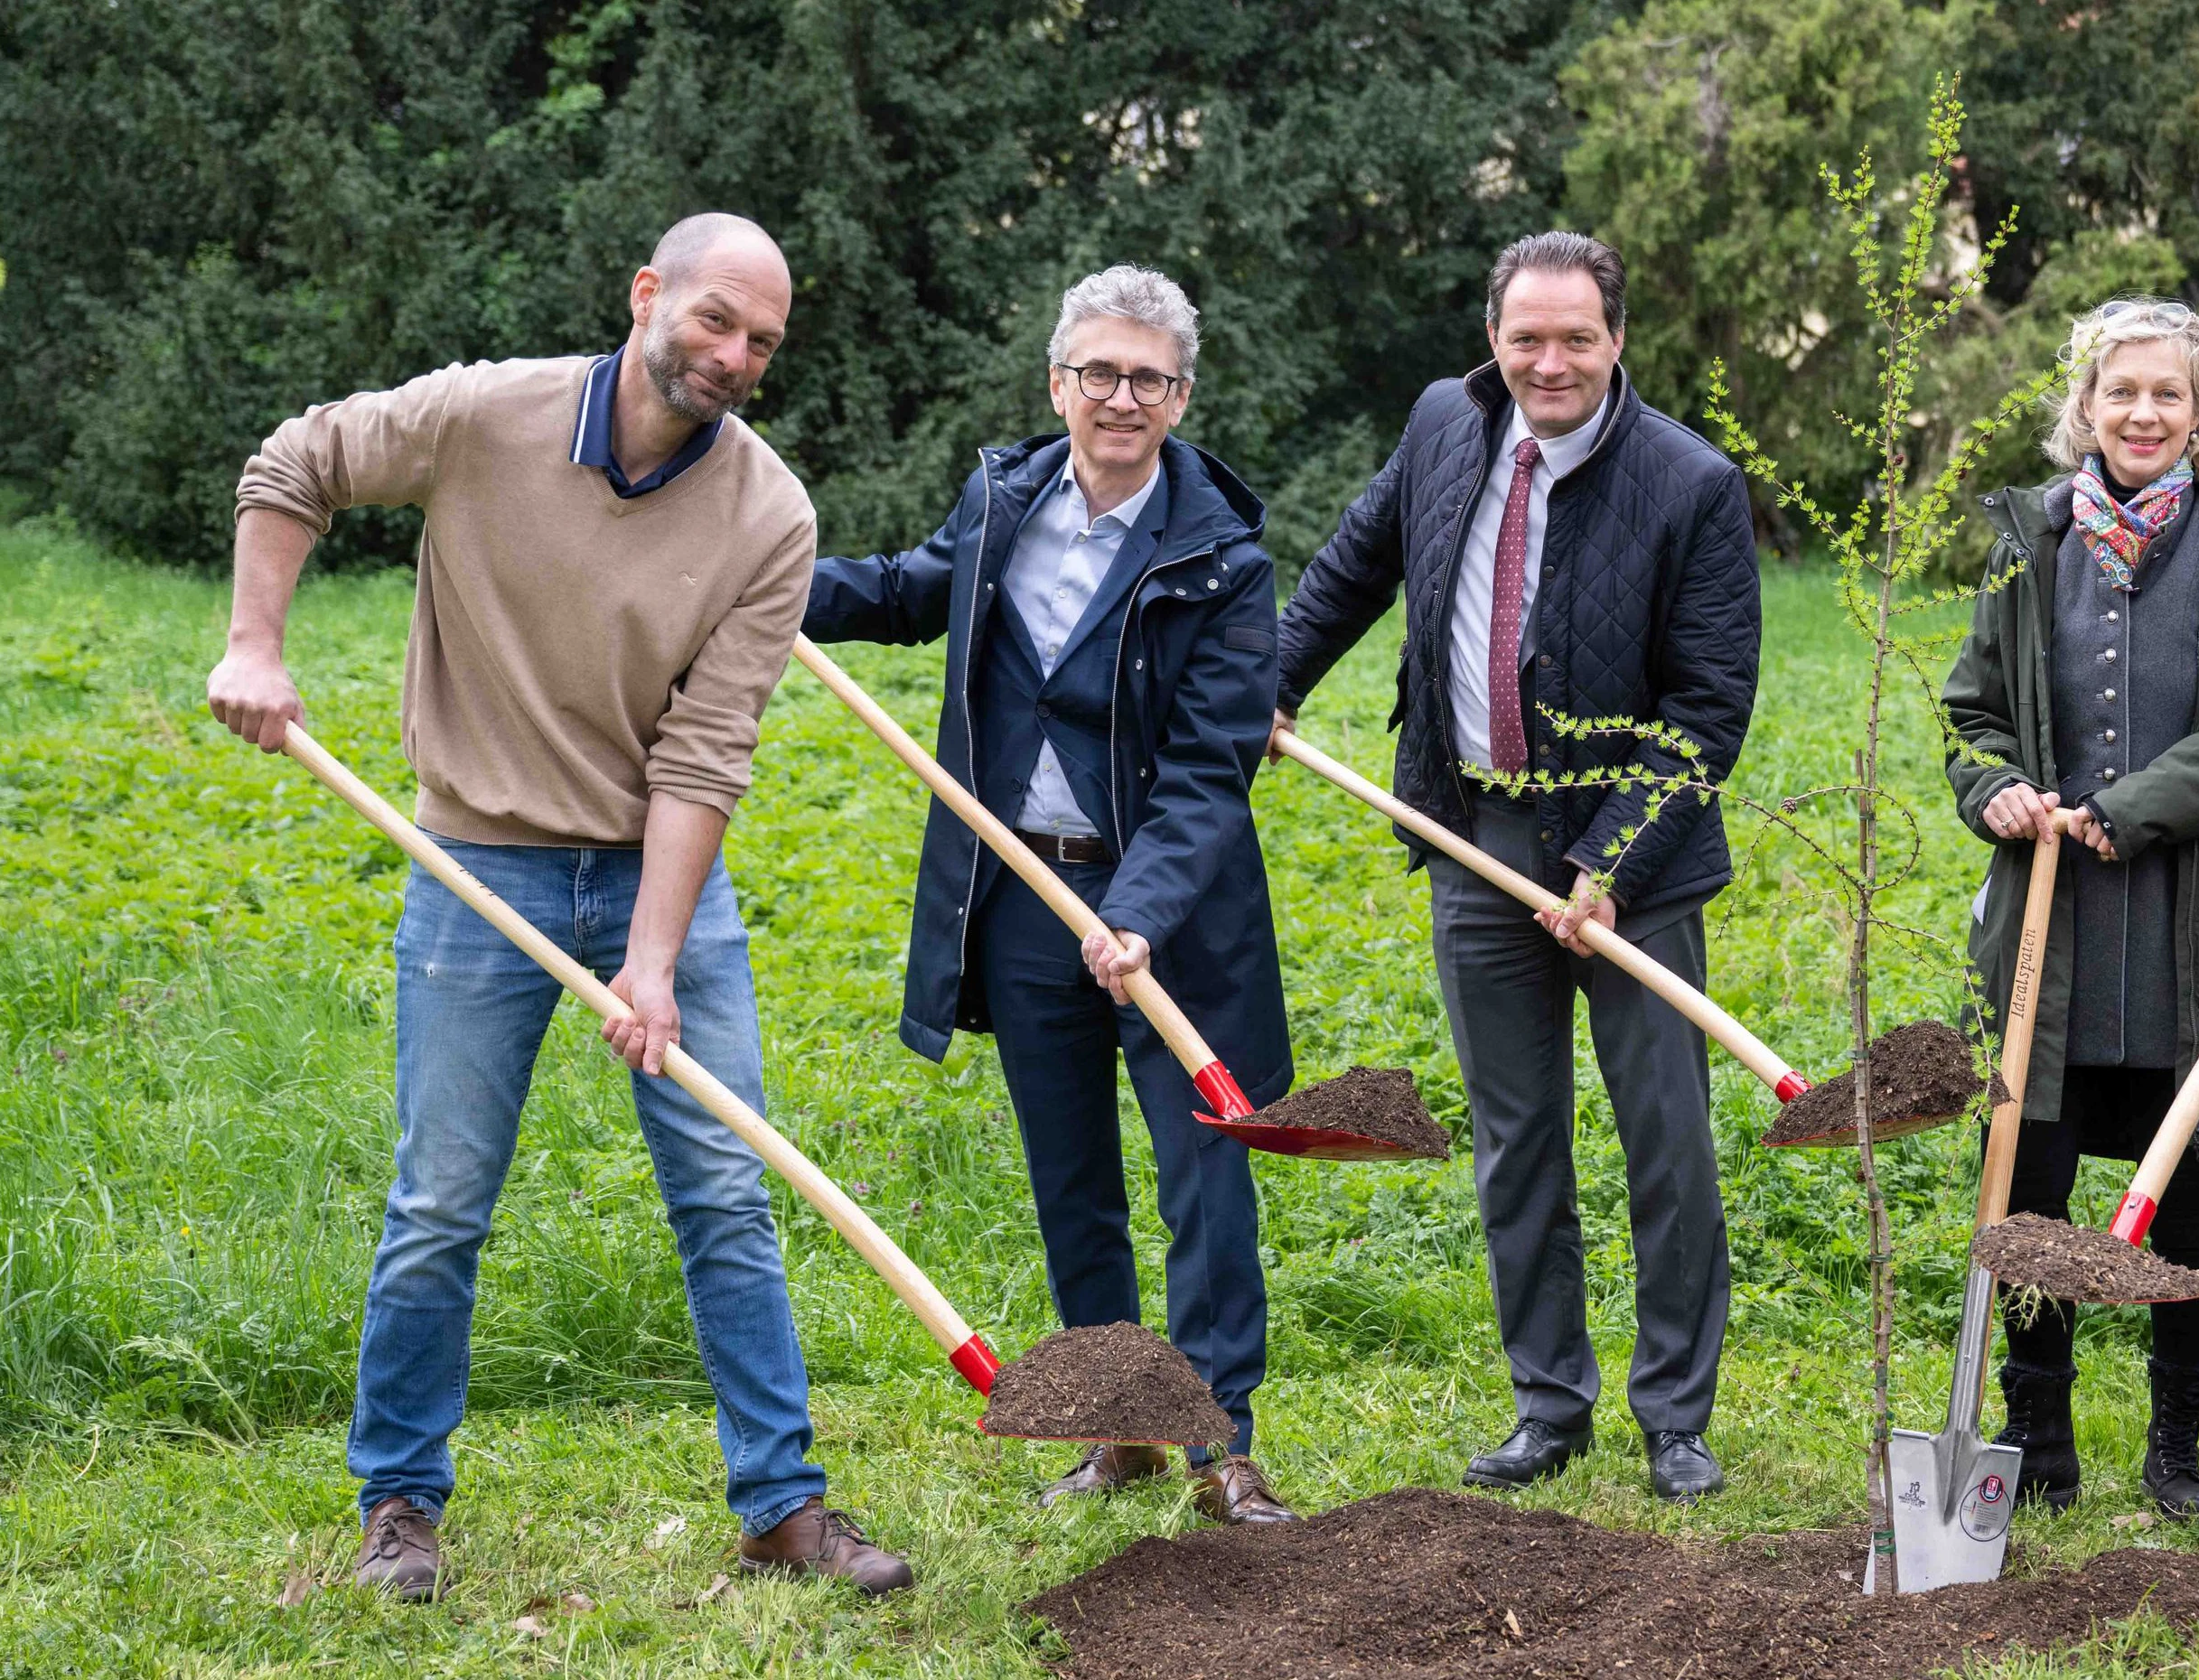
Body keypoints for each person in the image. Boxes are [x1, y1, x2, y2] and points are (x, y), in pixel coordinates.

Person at [209, 214, 912, 1600]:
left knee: (725, 1190)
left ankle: (781, 1504)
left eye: (762, 342)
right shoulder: (486, 415)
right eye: (716, 319)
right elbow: (295, 462)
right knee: (441, 1201)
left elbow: (707, 753)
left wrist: (654, 961)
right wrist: (253, 642)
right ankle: (399, 1506)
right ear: (647, 293)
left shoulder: (769, 515)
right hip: (482, 869)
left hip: (661, 875)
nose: (734, 356)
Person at [1270, 231, 1760, 1502]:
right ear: (1493, 336)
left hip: (1629, 868)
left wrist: (1609, 859)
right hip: (1471, 837)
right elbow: (1350, 569)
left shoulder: (1688, 481)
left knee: (1666, 1139)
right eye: (1526, 337)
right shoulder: (1443, 422)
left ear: (1615, 341)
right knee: (1516, 1138)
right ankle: (1549, 1406)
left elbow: (1707, 708)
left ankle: (1674, 1419)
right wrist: (1262, 689)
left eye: (1576, 339)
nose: (1550, 362)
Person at [802, 266, 1296, 1524]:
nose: (1116, 397)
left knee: (1204, 1181)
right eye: (1095, 372)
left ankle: (1222, 1450)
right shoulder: (1001, 499)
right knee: (1070, 1178)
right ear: (1056, 383)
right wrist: (768, 584)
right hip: (1022, 900)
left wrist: (1139, 911)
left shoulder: (1225, 562)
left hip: (1167, 919)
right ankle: (1121, 1428)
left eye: (1144, 377)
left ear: (1179, 397)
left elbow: (1206, 772)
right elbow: (916, 589)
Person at [1942, 299, 2199, 1520]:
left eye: (2167, 394)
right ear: (2085, 404)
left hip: (2195, 919)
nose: (2141, 413)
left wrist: (2137, 804)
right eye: (2120, 391)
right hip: (2047, 931)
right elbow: (1970, 712)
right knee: (2029, 1183)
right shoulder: (2027, 546)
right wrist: (1998, 790)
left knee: (2184, 1186)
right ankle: (2038, 1440)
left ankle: (2174, 1448)